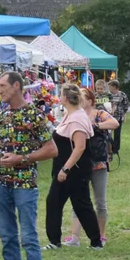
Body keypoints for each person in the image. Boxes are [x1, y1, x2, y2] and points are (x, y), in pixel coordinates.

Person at [0, 72, 57, 260]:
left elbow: (52, 149)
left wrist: (21, 159)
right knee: (7, 237)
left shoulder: (33, 114)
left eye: (3, 86)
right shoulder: (2, 115)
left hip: (24, 184)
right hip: (1, 183)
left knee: (29, 237)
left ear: (16, 86)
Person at [45, 84, 104, 249]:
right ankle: (55, 241)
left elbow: (80, 147)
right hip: (66, 168)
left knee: (80, 203)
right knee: (57, 202)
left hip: (74, 170)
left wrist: (66, 169)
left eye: (60, 95)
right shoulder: (70, 115)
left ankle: (95, 241)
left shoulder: (77, 117)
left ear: (65, 98)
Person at [66, 88, 119, 246]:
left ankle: (101, 235)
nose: (79, 100)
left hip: (98, 163)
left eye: (82, 97)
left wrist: (94, 125)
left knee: (100, 202)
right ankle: (75, 236)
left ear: (90, 100)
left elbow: (114, 123)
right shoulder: (73, 115)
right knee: (79, 199)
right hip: (80, 163)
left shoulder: (99, 113)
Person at [107, 80, 128, 156]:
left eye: (110, 87)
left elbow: (126, 105)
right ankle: (111, 146)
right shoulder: (108, 95)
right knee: (108, 134)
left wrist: (123, 114)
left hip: (119, 117)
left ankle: (116, 149)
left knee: (117, 134)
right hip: (109, 117)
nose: (109, 88)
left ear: (115, 87)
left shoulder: (122, 95)